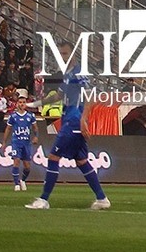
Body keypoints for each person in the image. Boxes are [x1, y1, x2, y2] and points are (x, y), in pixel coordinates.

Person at [24, 64, 110, 210]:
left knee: (53, 157)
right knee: (82, 161)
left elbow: (91, 96)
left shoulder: (78, 73)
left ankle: (44, 200)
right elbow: (58, 96)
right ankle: (101, 198)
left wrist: (83, 119)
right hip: (69, 122)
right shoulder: (68, 77)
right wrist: (34, 104)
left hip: (74, 122)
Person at [4, 90, 36, 191]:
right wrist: (4, 142)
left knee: (27, 167)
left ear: (26, 104)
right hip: (16, 142)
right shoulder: (13, 116)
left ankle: (23, 180)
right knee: (16, 161)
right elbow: (8, 129)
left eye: (23, 102)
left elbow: (35, 128)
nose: (22, 104)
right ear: (17, 104)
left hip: (26, 143)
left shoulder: (30, 116)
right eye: (20, 102)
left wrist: (36, 136)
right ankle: (16, 183)